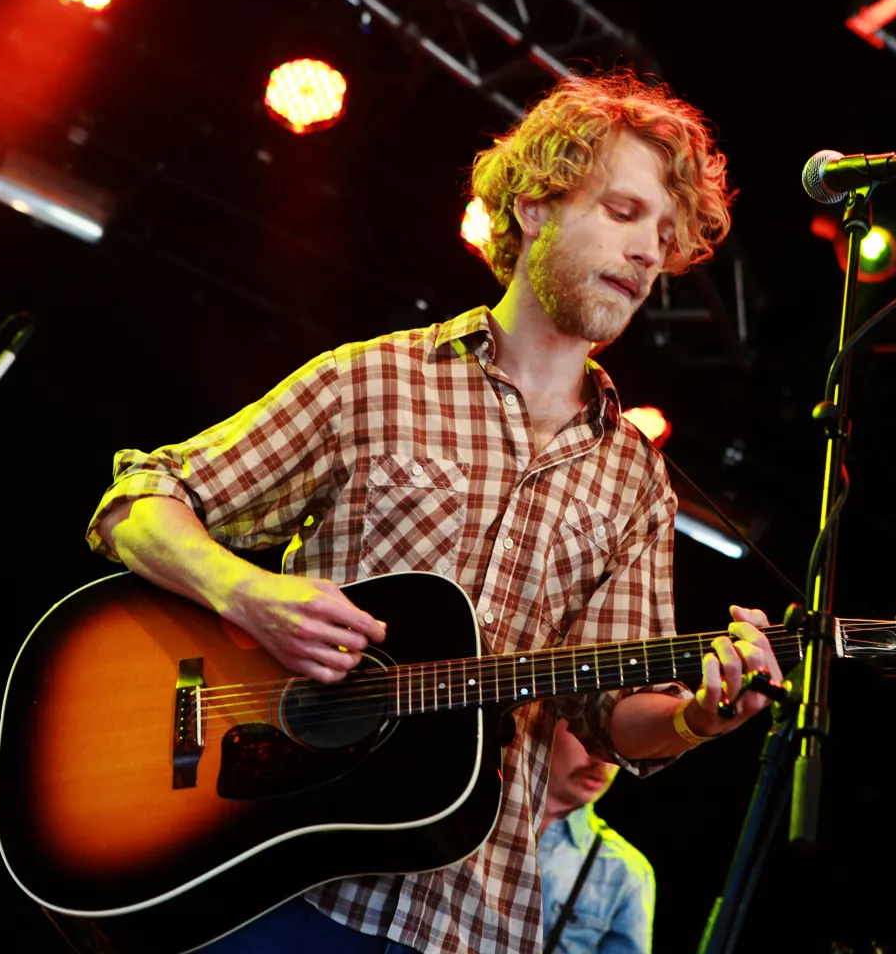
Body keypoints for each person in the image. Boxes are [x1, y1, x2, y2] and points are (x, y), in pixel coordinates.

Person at [87, 71, 784, 954]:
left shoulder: (637, 485)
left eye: (666, 233)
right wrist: (244, 593)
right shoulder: (372, 377)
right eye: (622, 211)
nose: (650, 251)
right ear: (535, 207)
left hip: (473, 922)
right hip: (269, 885)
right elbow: (139, 501)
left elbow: (615, 714)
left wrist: (700, 717)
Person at [538, 719, 655, 954]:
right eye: (585, 735)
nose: (602, 759)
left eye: (616, 744)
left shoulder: (626, 871)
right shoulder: (473, 822)